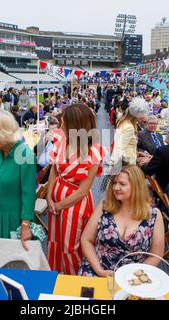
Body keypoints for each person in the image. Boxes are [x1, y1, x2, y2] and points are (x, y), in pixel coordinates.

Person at [47, 104, 108, 275]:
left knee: (70, 246)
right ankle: (57, 275)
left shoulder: (93, 152)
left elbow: (83, 189)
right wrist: (49, 197)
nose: (60, 126)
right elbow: (54, 170)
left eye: (64, 123)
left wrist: (59, 205)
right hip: (57, 198)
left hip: (75, 204)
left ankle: (74, 280)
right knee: (55, 240)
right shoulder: (61, 140)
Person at [78, 165, 164, 277]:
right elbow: (86, 240)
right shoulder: (105, 206)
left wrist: (134, 275)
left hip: (133, 276)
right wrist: (99, 270)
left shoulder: (153, 215)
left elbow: (155, 255)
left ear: (136, 187)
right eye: (114, 183)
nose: (116, 187)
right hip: (97, 269)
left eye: (122, 184)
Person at [0, 111, 36, 250]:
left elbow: (29, 194)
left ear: (3, 133)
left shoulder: (26, 154)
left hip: (15, 218)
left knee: (13, 259)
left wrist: (25, 225)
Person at [138, 126, 169, 191]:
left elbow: (148, 171)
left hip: (164, 189)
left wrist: (141, 163)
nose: (167, 133)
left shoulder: (162, 151)